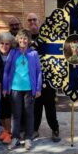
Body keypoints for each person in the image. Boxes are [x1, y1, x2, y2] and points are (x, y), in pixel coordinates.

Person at [3, 29, 42, 150]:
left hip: (29, 89)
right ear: (17, 39)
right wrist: (5, 87)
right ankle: (15, 138)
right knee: (16, 114)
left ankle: (28, 138)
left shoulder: (33, 54)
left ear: (29, 40)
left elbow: (38, 72)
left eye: (25, 38)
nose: (23, 40)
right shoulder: (13, 53)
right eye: (21, 38)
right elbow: (7, 71)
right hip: (15, 89)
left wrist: (38, 88)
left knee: (29, 114)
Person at [28, 13, 61, 142]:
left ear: (39, 20)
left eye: (34, 19)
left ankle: (55, 129)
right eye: (29, 20)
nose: (32, 22)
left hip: (48, 78)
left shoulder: (47, 36)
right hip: (33, 79)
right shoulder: (26, 38)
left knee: (50, 106)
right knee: (35, 106)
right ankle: (35, 130)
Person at [0, 32, 15, 144]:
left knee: (7, 110)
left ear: (10, 44)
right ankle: (5, 131)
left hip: (9, 87)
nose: (4, 46)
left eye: (7, 44)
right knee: (0, 110)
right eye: (2, 43)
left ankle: (9, 133)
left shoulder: (13, 54)